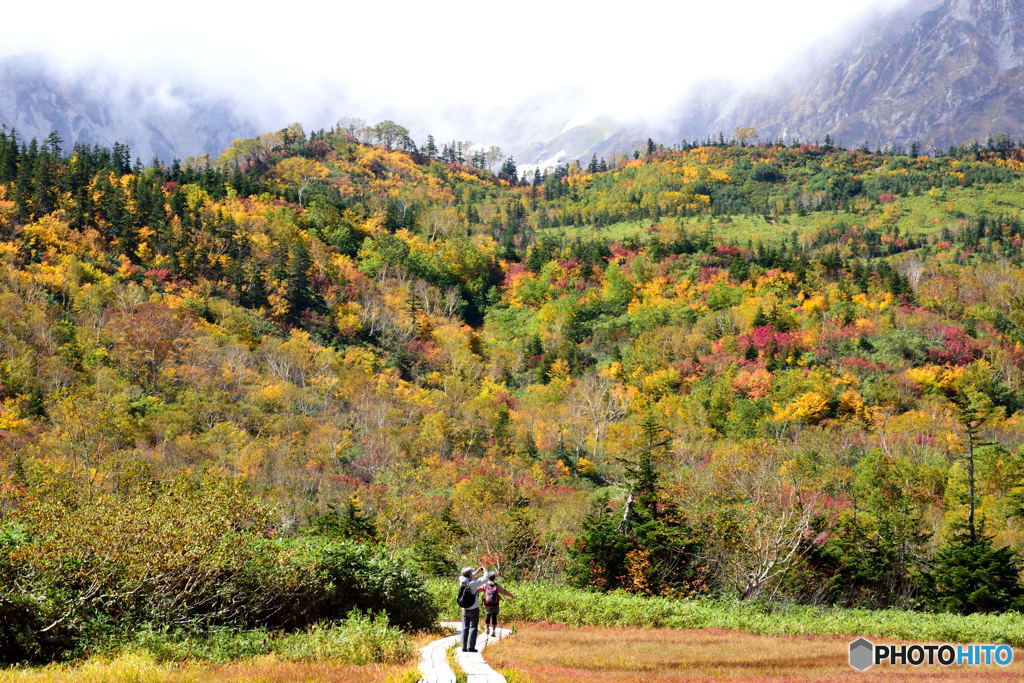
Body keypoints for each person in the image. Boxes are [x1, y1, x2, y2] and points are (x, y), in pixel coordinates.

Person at [458, 566, 487, 652]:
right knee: (473, 628)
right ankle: (471, 647)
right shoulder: (474, 583)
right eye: (472, 573)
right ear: (470, 575)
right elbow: (485, 578)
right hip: (474, 608)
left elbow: (465, 576)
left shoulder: (461, 580)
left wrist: (476, 572)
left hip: (464, 609)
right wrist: (485, 570)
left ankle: (463, 647)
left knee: (465, 628)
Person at [480, 571, 515, 637]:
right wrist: (512, 596)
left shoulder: (485, 585)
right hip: (495, 604)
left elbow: (477, 590)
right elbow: (504, 592)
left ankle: (487, 628)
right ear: (494, 578)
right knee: (494, 616)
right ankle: (493, 631)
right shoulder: (496, 585)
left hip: (487, 604)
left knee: (488, 615)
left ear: (488, 578)